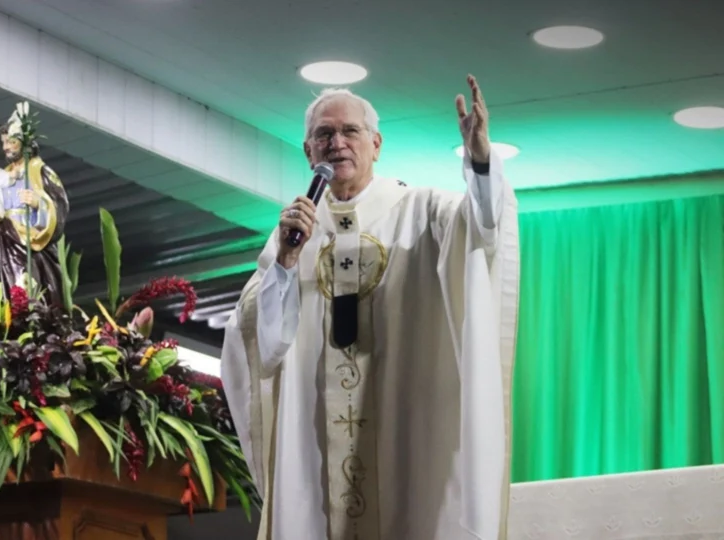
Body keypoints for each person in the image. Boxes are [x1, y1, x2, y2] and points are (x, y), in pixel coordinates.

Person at [220, 75, 520, 540]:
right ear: (308, 152)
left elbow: (482, 230)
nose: (336, 143)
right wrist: (285, 263)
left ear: (376, 145)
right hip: (315, 448)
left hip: (406, 434)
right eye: (324, 134)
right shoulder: (294, 233)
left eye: (350, 131)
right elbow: (263, 344)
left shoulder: (422, 212)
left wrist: (479, 161)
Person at [0, 107, 70, 308]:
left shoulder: (41, 172)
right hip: (3, 242)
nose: (6, 147)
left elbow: (60, 206)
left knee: (27, 290)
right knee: (3, 294)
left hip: (30, 243)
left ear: (25, 142)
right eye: (4, 142)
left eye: (11, 142)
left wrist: (37, 203)